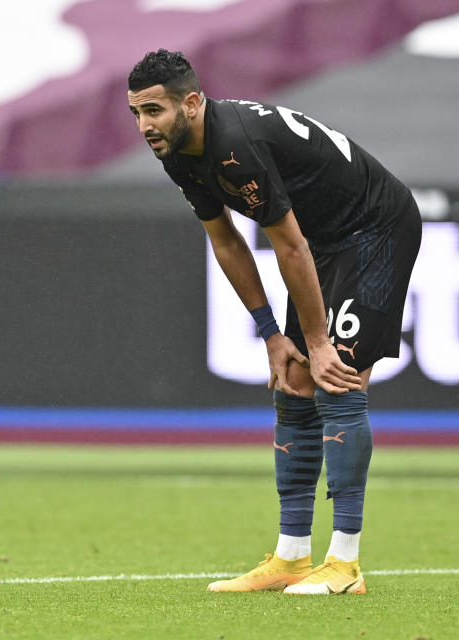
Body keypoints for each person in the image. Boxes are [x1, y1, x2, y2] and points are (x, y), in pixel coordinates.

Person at [127, 49, 421, 595]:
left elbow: (286, 242)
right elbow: (226, 241)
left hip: (374, 229)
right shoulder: (179, 155)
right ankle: (291, 558)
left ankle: (345, 564)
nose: (145, 126)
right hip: (321, 242)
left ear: (191, 103)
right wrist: (271, 335)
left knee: (339, 377)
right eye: (137, 113)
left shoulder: (236, 145)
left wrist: (316, 340)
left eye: (154, 110)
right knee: (295, 385)